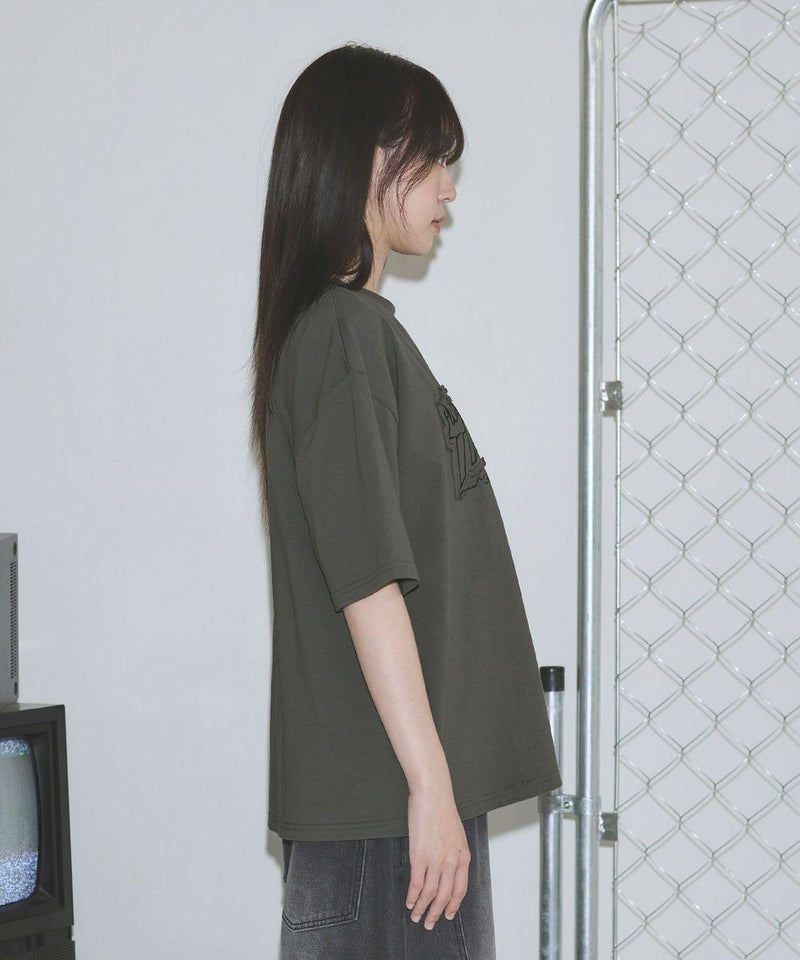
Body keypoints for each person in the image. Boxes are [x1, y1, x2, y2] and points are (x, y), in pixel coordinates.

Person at [249, 42, 562, 960]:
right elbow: (368, 584)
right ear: (365, 159)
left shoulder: (351, 335)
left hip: (393, 818)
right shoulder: (341, 337)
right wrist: (429, 787)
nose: (449, 191)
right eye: (431, 163)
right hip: (389, 821)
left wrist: (433, 790)